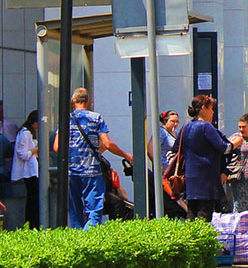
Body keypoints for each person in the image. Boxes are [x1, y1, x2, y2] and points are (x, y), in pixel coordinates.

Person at [53, 87, 133, 229]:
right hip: (92, 170)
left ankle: (77, 237)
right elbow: (107, 144)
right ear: (89, 101)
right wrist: (126, 155)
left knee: (75, 211)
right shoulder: (97, 118)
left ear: (73, 101)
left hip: (72, 171)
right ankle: (89, 236)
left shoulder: (66, 119)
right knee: (94, 210)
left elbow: (57, 147)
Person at [170, 95, 243, 222]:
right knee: (204, 215)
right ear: (204, 108)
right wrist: (236, 143)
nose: (213, 112)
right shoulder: (206, 127)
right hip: (206, 180)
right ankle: (200, 236)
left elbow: (174, 150)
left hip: (190, 180)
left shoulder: (186, 126)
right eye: (211, 109)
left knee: (191, 214)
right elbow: (224, 148)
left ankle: (191, 235)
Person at [147, 110, 186, 218]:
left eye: (177, 122)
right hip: (165, 169)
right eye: (172, 121)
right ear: (165, 121)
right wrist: (158, 166)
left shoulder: (175, 133)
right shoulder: (162, 132)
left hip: (174, 169)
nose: (175, 124)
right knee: (171, 195)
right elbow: (150, 148)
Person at [13, 111, 40, 228]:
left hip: (31, 171)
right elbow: (23, 154)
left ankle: (32, 223)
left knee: (33, 199)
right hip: (28, 172)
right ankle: (31, 224)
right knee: (32, 199)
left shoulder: (28, 133)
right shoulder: (25, 134)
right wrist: (36, 149)